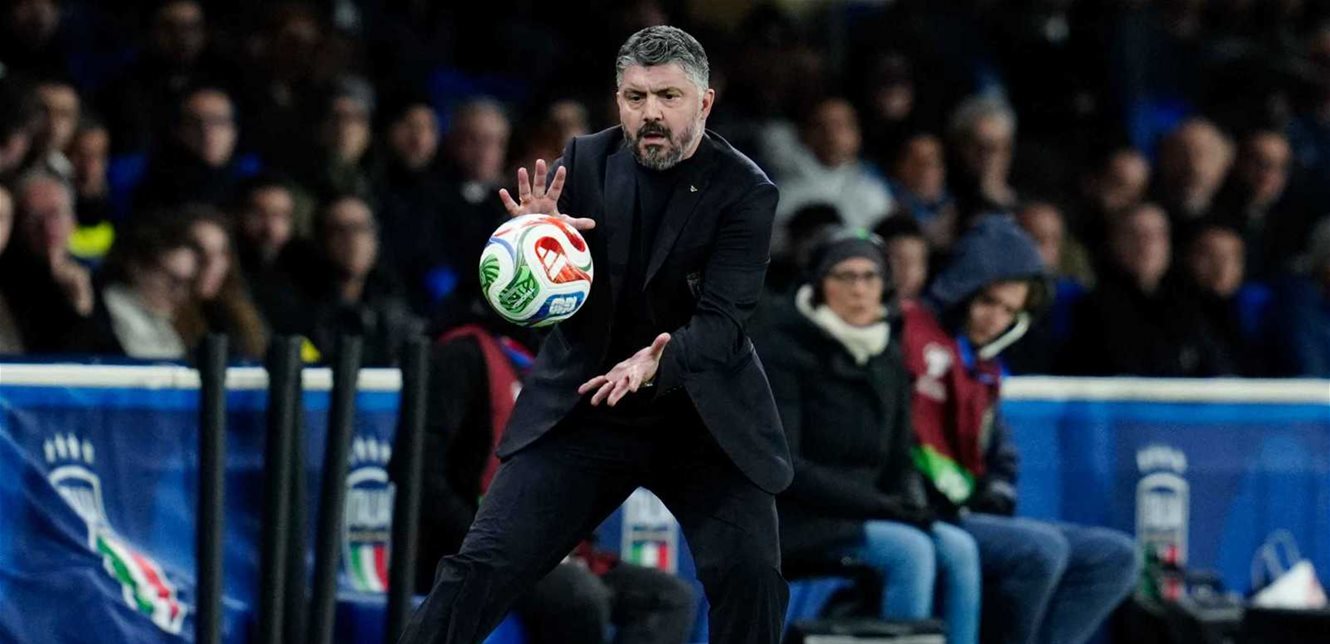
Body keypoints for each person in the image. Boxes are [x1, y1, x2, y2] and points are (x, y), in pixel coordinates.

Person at [400, 26, 792, 643]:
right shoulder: (582, 163)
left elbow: (723, 325)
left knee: (752, 579)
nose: (651, 113)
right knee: (480, 567)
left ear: (705, 102)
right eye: (636, 97)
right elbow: (516, 306)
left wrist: (656, 363)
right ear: (618, 101)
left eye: (668, 96)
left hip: (701, 411)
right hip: (588, 404)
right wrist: (527, 245)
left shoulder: (744, 190)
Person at [396, 298, 695, 644]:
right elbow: (421, 477)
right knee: (579, 596)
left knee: (670, 598)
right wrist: (490, 544)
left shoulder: (559, 358)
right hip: (476, 550)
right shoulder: (460, 355)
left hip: (553, 550)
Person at [901, 215, 1138, 644]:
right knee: (1039, 550)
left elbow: (1002, 455)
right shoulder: (910, 338)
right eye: (988, 302)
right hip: (917, 512)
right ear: (963, 286)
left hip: (967, 514)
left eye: (1010, 311)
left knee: (1116, 556)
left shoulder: (984, 368)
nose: (996, 319)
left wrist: (998, 491)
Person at [755, 230, 979, 643]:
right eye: (845, 276)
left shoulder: (886, 355)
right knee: (910, 551)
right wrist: (883, 507)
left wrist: (910, 505)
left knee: (959, 549)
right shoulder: (784, 350)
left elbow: (898, 455)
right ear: (820, 285)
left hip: (872, 511)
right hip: (801, 519)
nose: (859, 289)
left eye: (870, 277)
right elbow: (787, 467)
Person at [175, 206, 268, 361]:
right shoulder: (162, 317)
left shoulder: (242, 313)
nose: (212, 264)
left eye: (221, 253)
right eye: (198, 251)